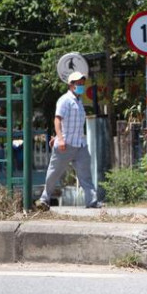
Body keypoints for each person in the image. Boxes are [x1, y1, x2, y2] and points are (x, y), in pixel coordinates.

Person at [37, 71, 102, 211]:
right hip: (65, 145)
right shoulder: (65, 100)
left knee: (85, 175)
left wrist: (58, 135)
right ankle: (44, 199)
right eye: (78, 83)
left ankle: (92, 201)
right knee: (54, 172)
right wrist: (60, 138)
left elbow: (72, 124)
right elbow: (58, 119)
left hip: (80, 144)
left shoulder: (79, 102)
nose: (81, 86)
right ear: (71, 85)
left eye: (82, 83)